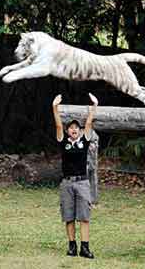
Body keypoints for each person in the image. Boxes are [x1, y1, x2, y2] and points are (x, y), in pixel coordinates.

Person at [52, 93, 98, 259]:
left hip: (82, 182)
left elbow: (89, 123)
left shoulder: (84, 141)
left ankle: (85, 248)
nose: (74, 129)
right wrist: (55, 107)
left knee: (84, 216)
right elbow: (58, 126)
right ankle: (72, 246)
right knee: (69, 216)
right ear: (67, 130)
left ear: (79, 131)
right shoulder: (63, 142)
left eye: (76, 128)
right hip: (67, 183)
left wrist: (94, 106)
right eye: (71, 127)